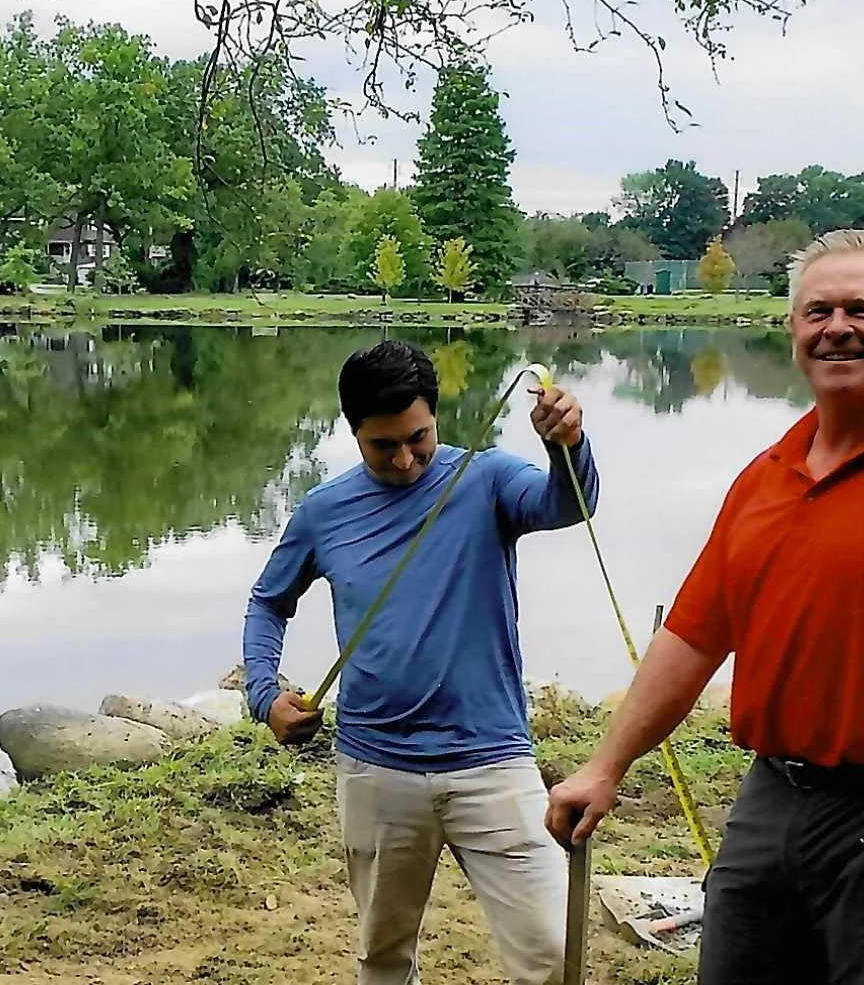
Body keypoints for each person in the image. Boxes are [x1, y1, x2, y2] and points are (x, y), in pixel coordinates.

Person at [546, 229, 864, 984]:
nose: (836, 328)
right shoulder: (765, 477)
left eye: (861, 309)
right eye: (816, 310)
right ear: (791, 330)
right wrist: (606, 764)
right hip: (771, 797)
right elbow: (692, 637)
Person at [242, 339, 601, 985]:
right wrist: (264, 694)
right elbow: (268, 601)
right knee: (383, 958)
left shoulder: (487, 480)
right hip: (375, 769)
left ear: (435, 417)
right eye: (384, 446)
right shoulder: (323, 512)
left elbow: (565, 504)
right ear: (351, 432)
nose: (406, 459)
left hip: (492, 762)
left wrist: (565, 445)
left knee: (554, 954)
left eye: (419, 437)